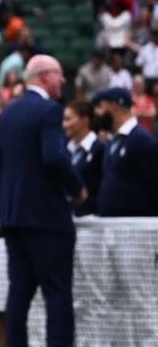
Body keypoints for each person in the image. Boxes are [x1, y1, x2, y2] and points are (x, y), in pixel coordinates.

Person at [0, 54, 83, 347]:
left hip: (13, 218)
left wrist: (5, 208)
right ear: (44, 76)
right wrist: (77, 187)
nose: (63, 80)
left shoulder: (6, 114)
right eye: (59, 74)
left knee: (18, 294)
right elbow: (54, 156)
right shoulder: (49, 111)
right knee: (57, 294)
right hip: (46, 218)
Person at [90, 86, 158, 344]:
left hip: (136, 231)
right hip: (110, 230)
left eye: (101, 106)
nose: (98, 113)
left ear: (115, 105)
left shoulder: (143, 141)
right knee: (114, 296)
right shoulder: (114, 142)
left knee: (141, 297)